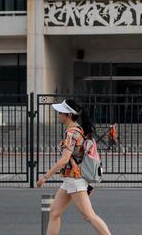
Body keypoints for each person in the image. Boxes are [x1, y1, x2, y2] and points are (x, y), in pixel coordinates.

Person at [36, 99, 111, 235]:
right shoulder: (79, 130)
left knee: (89, 216)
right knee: (54, 213)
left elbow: (64, 160)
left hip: (75, 179)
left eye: (60, 112)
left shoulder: (71, 133)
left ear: (68, 115)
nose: (58, 114)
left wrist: (45, 177)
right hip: (71, 179)